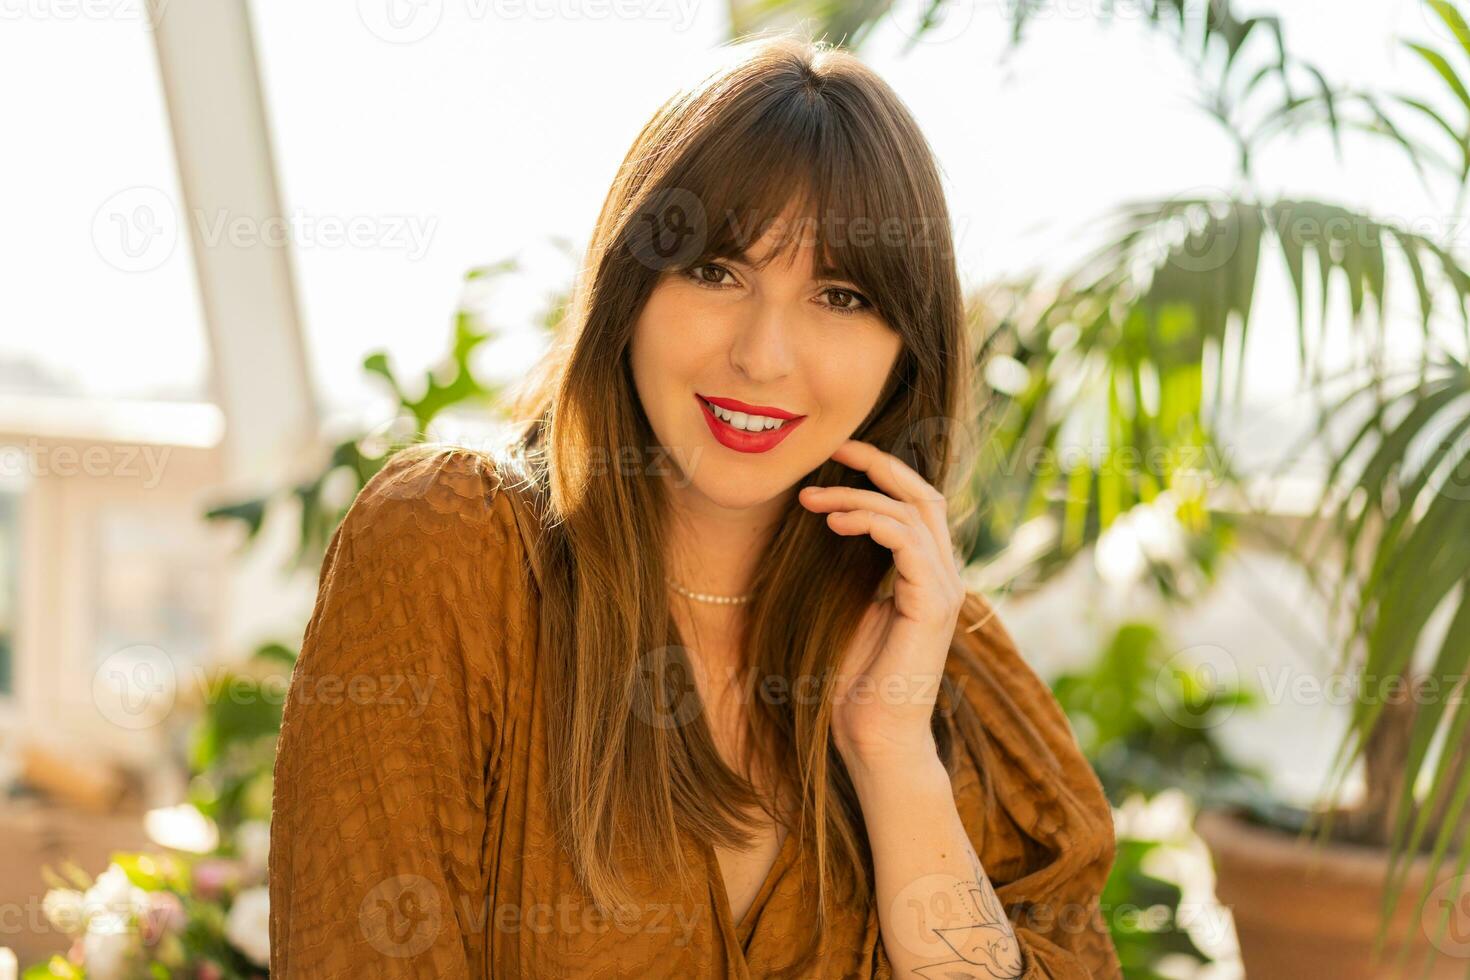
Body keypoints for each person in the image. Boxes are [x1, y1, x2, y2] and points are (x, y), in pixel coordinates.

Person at [268, 33, 1122, 979]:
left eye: (839, 296)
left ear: (903, 351)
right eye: (715, 272)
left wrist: (892, 755)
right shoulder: (452, 552)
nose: (762, 356)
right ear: (630, 285)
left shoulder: (946, 656)